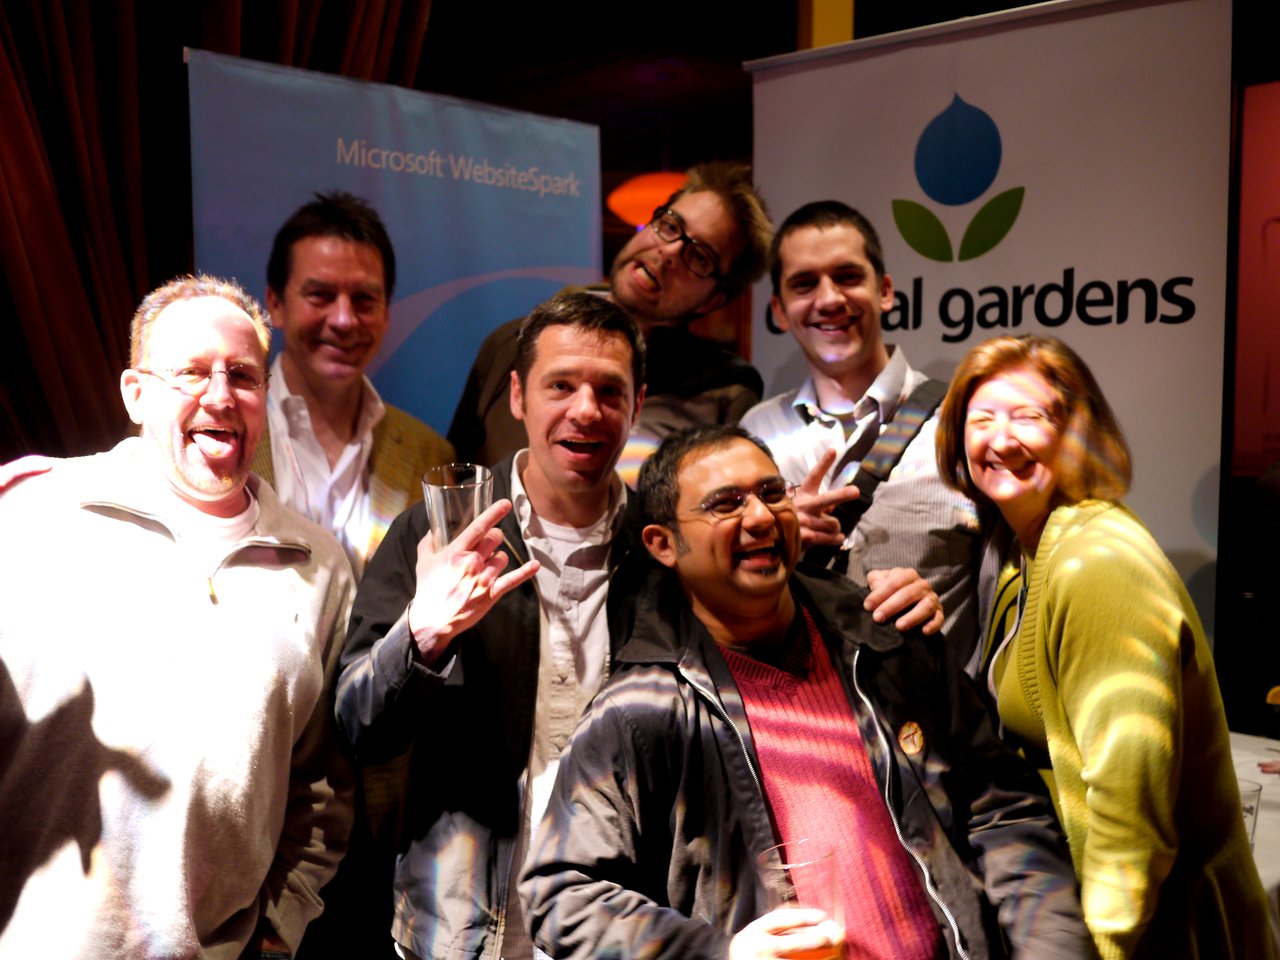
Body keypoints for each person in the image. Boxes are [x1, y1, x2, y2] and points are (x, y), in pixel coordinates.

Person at [335, 295, 939, 960]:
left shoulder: (667, 548)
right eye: (560, 385)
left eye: (609, 390)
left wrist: (885, 599)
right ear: (517, 396)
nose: (586, 410)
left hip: (625, 924)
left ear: (637, 402)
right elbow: (361, 726)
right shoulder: (441, 534)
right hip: (462, 927)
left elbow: (784, 617)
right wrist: (424, 634)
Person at [519, 424, 1089, 960]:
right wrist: (721, 954)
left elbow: (1003, 808)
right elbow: (561, 893)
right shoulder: (641, 707)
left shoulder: (887, 638)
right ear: (663, 544)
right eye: (726, 503)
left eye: (772, 493)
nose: (762, 517)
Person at [0, 275, 354, 959]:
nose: (220, 396)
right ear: (136, 394)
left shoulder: (320, 565)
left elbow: (322, 786)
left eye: (243, 376)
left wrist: (276, 935)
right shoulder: (30, 513)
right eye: (191, 372)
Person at [934, 334, 1278, 959]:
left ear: (1077, 433)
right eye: (980, 419)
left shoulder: (1095, 565)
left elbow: (1130, 806)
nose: (1000, 439)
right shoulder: (1025, 551)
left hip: (1163, 932)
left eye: (1029, 416)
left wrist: (1102, 948)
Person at [741, 201, 993, 666]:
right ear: (778, 309)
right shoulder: (753, 434)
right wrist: (772, 532)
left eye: (848, 276)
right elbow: (721, 594)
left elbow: (1002, 601)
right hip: (797, 723)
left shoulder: (964, 423)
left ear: (886, 291)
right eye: (804, 284)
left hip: (934, 727)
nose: (830, 298)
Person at [446, 161, 771, 479]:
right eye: (671, 226)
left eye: (700, 257)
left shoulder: (724, 390)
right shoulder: (512, 343)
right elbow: (458, 482)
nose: (670, 252)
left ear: (713, 300)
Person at [258, 190, 454, 580]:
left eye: (364, 300)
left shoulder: (430, 455)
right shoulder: (213, 431)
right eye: (320, 295)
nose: (344, 320)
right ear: (275, 304)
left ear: (385, 314)